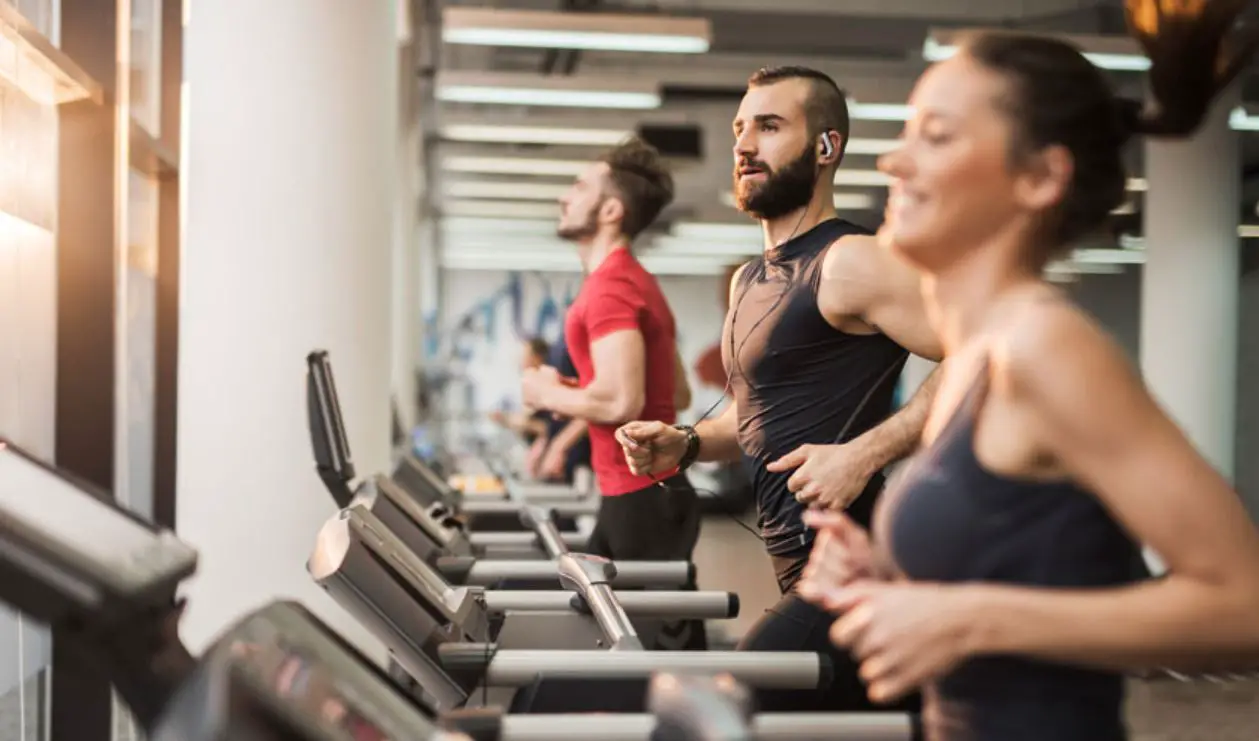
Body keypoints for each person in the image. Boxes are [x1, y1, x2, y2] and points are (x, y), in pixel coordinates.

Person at [796, 25, 1259, 741]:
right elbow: (1024, 568)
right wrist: (882, 572)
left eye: (937, 136)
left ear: (1039, 177)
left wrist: (970, 616)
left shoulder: (1044, 347)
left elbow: (1244, 607)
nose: (895, 159)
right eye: (906, 134)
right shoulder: (972, 359)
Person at [615, 65, 943, 713]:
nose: (743, 144)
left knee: (711, 710)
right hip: (796, 566)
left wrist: (865, 451)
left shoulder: (851, 260)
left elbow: (986, 357)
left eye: (768, 126)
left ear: (825, 147)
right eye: (740, 127)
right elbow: (754, 417)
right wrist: (682, 445)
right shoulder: (748, 281)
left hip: (853, 569)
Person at [520, 136, 705, 649]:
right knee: (608, 634)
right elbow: (676, 393)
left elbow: (623, 402)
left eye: (578, 187)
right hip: (639, 493)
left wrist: (546, 392)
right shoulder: (637, 282)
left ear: (610, 209)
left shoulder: (609, 288)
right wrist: (576, 389)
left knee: (651, 654)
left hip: (640, 496)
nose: (565, 197)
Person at [491, 337, 551, 444]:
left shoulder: (547, 386)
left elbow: (546, 428)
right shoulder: (533, 388)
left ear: (537, 358)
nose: (521, 362)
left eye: (525, 357)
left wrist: (508, 419)